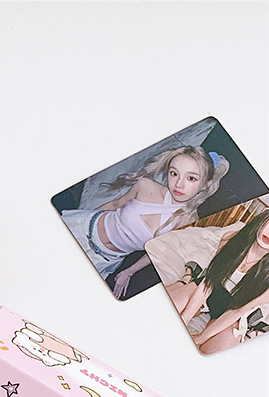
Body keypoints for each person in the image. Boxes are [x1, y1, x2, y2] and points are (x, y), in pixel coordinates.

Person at [62, 145, 229, 298]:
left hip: (104, 260)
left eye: (191, 178)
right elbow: (115, 204)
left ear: (205, 184)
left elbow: (154, 252)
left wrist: (128, 272)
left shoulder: (189, 221)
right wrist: (82, 216)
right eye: (174, 173)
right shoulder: (146, 186)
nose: (179, 184)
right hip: (82, 227)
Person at [165, 209, 269, 354]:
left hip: (233, 311)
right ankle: (188, 277)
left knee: (219, 350)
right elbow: (209, 282)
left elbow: (239, 310)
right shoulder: (230, 239)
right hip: (210, 290)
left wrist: (201, 337)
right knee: (168, 309)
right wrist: (184, 319)